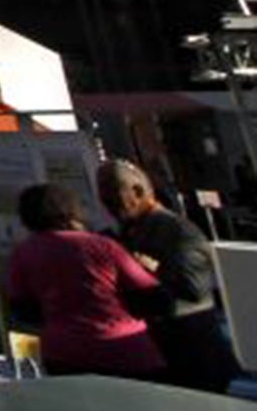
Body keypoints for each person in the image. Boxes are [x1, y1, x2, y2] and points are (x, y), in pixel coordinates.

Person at [96, 159, 240, 392]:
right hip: (160, 350)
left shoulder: (177, 230)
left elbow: (194, 286)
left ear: (139, 191)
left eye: (114, 197)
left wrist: (142, 266)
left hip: (194, 349)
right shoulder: (127, 231)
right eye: (105, 200)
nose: (110, 207)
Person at [5, 183, 168, 380]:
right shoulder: (101, 245)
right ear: (71, 209)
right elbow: (154, 296)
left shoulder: (23, 253)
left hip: (63, 352)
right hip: (123, 348)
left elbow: (22, 307)